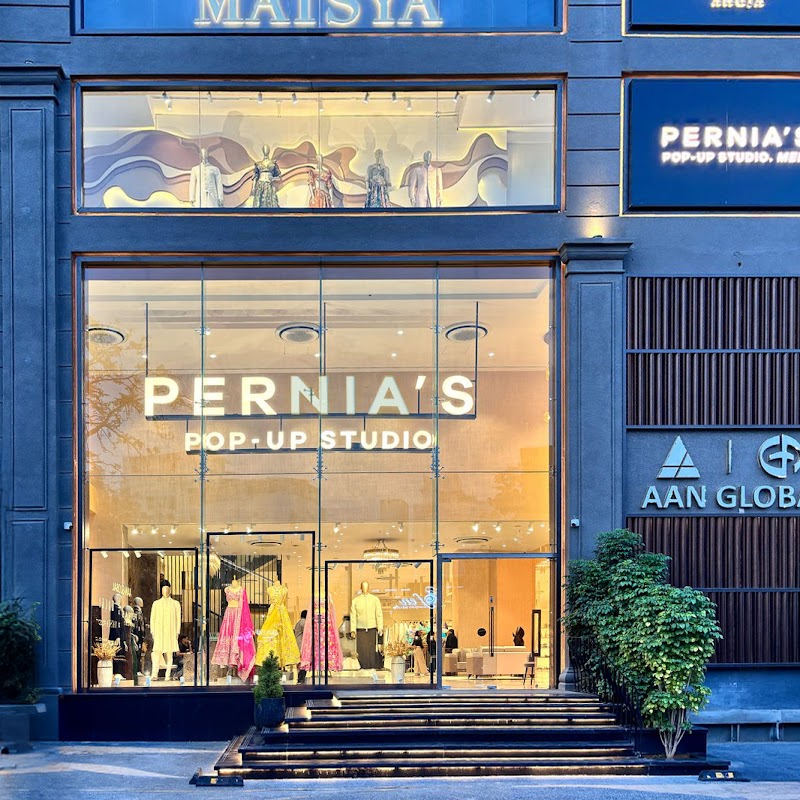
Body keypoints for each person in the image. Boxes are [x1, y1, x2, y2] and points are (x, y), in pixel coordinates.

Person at [294, 610, 308, 684]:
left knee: (299, 661)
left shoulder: (298, 622)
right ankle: (301, 678)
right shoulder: (304, 622)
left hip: (298, 643)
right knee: (303, 661)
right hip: (301, 644)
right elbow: (308, 632)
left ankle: (300, 678)